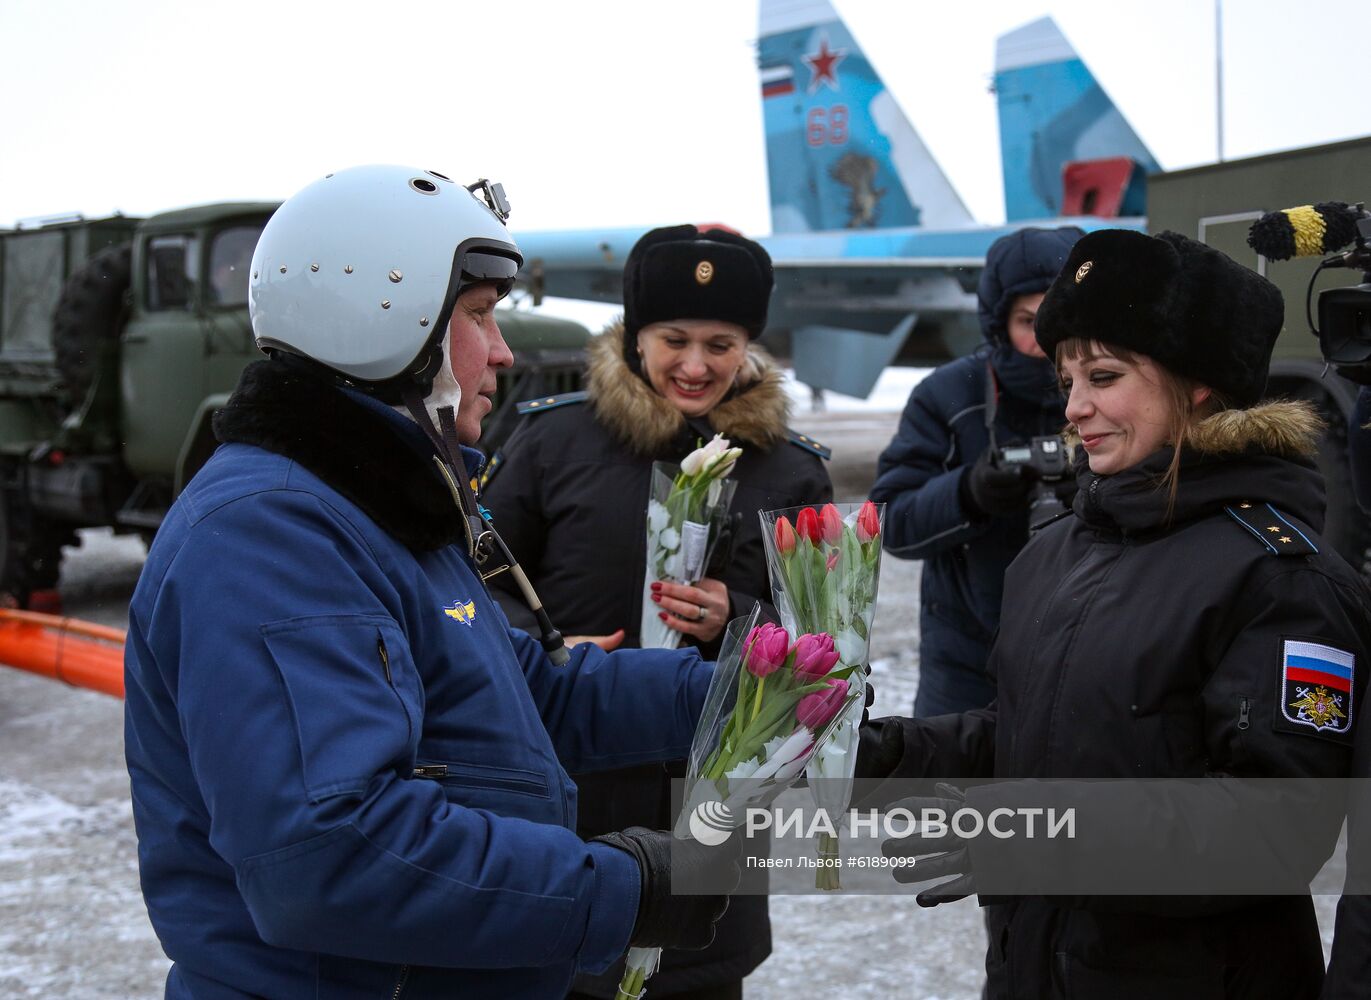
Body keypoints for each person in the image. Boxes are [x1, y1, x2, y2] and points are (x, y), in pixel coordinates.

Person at [123, 166, 738, 1000]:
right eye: (479, 316)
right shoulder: (270, 534)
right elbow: (334, 854)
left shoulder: (374, 503)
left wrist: (740, 696)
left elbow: (528, 698)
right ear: (381, 317)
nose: (502, 351)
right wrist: (623, 886)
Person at [857, 229, 1371, 998]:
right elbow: (1035, 733)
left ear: (1197, 383)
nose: (1074, 407)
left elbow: (1274, 830)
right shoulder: (1057, 550)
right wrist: (890, 752)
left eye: (1102, 375)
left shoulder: (1277, 578)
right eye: (1066, 379)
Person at [480, 223, 834, 999]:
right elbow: (472, 587)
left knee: (696, 971)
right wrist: (540, 649)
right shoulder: (553, 441)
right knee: (560, 962)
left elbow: (825, 637)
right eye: (674, 338)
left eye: (722, 341)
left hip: (710, 786)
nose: (696, 364)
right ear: (634, 336)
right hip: (566, 774)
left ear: (750, 344)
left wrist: (738, 615)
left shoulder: (790, 468)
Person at [869, 226, 1083, 717]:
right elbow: (890, 522)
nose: (1046, 340)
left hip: (1090, 652)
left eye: (1059, 318)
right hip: (966, 666)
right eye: (1028, 321)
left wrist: (1095, 489)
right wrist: (968, 494)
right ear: (997, 322)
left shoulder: (1118, 392)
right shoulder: (949, 394)